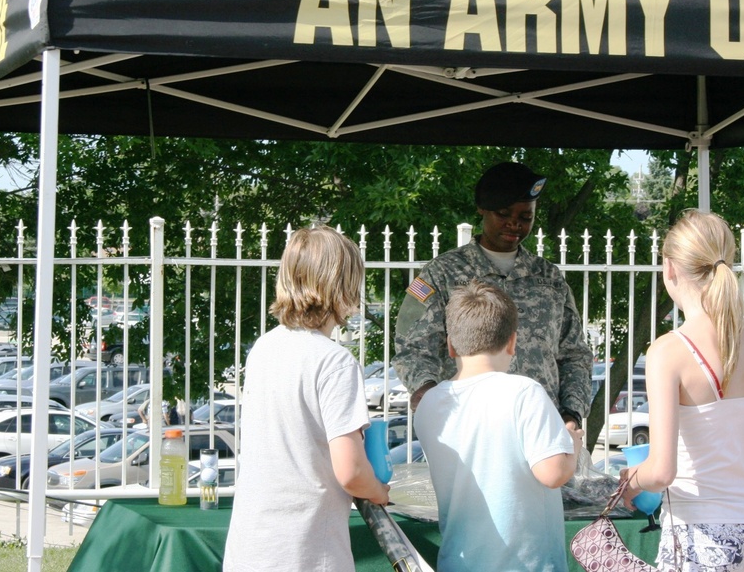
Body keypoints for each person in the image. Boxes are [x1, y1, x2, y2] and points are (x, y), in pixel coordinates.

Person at [619, 210, 744, 572]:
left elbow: (661, 471)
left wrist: (629, 481)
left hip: (696, 535)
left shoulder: (669, 350)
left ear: (669, 268)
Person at [223, 227, 390, 571]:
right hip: (305, 550)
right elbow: (352, 472)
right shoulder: (334, 361)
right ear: (344, 286)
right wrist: (378, 491)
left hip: (251, 545)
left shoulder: (265, 347)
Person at [393, 161, 594, 428]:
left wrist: (571, 414)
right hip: (468, 427)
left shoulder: (549, 278)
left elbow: (575, 355)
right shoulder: (440, 274)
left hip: (541, 429)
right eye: (503, 214)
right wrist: (429, 394)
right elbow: (412, 348)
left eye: (526, 217)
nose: (514, 225)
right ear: (482, 209)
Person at [415, 280, 583, 572]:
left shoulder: (428, 404)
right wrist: (573, 445)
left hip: (458, 561)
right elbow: (553, 473)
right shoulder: (523, 392)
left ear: (451, 346)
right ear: (512, 342)